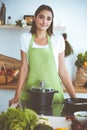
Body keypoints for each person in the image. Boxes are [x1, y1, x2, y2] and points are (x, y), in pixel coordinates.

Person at [9, 4, 76, 108]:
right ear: (35, 18)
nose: (45, 22)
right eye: (41, 17)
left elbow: (62, 70)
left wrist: (74, 99)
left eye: (48, 18)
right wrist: (16, 96)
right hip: (31, 94)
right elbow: (24, 68)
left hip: (54, 95)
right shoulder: (25, 38)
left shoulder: (58, 39)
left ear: (51, 21)